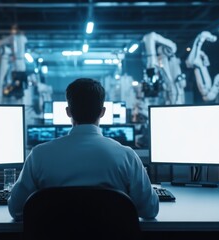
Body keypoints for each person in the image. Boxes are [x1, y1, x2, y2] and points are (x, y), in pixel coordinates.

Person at [8, 78, 159, 221]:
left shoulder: (38, 155)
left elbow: (16, 209)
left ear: (68, 112)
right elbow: (150, 210)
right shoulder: (127, 156)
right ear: (102, 112)